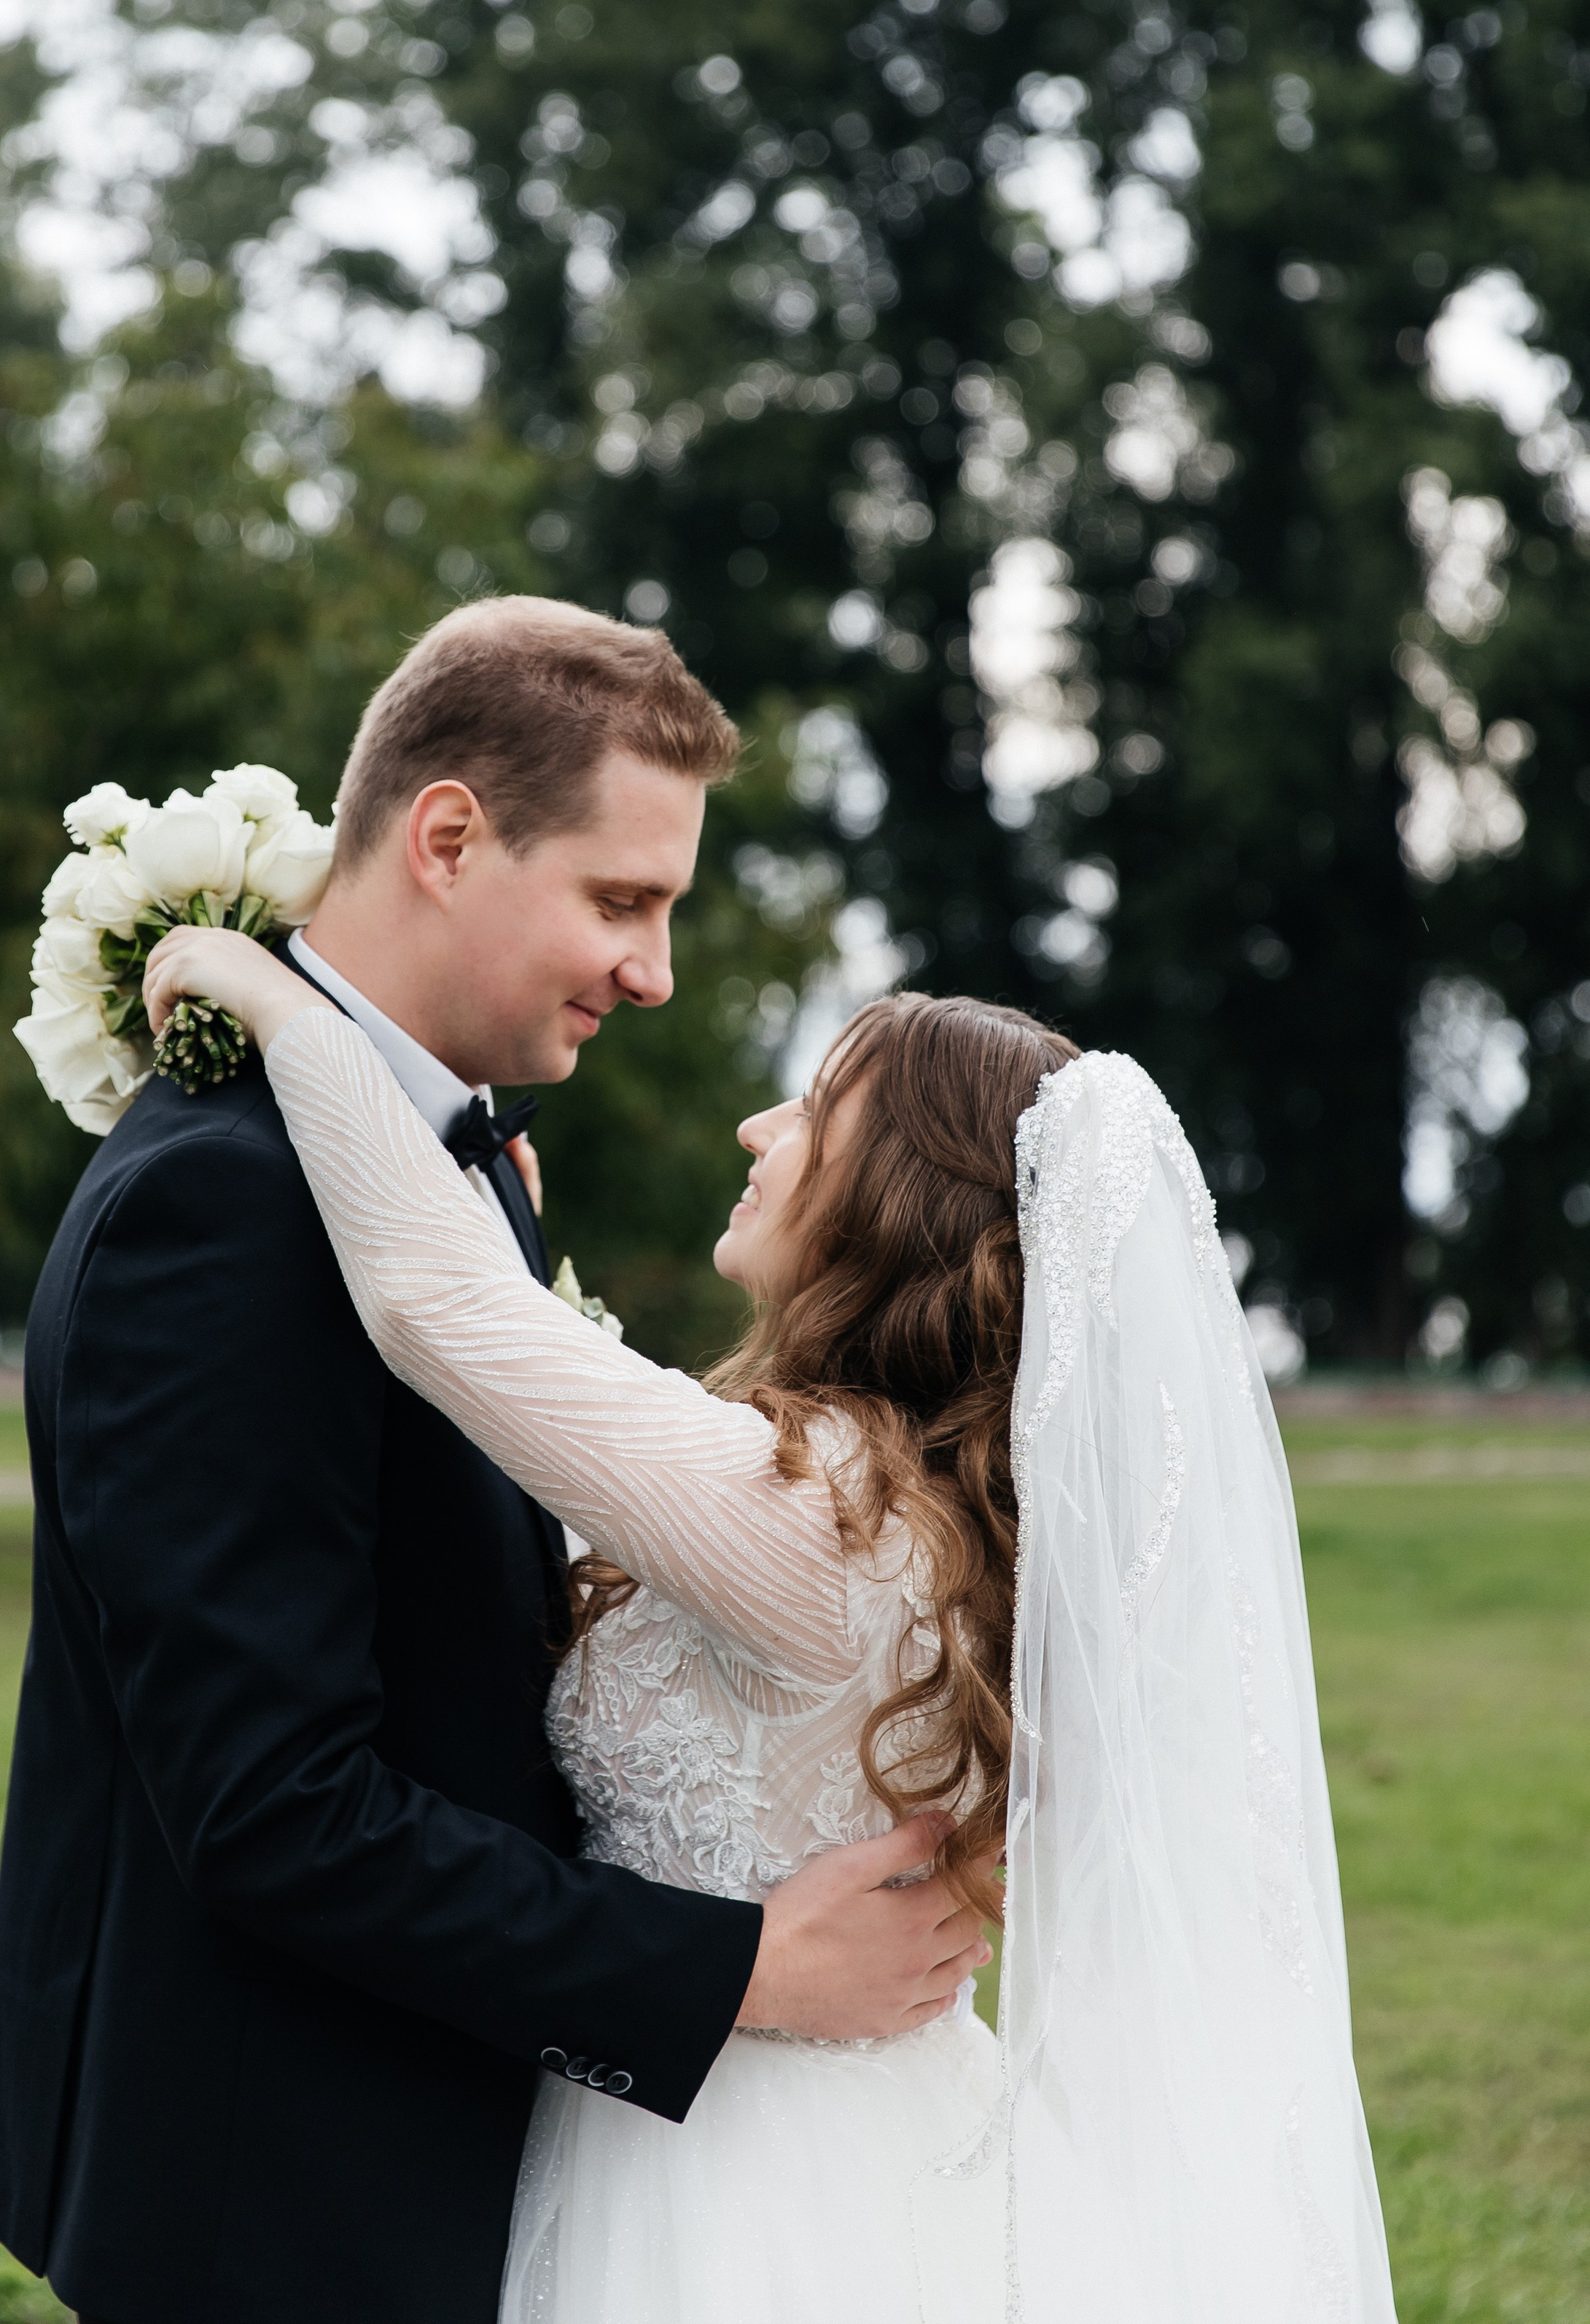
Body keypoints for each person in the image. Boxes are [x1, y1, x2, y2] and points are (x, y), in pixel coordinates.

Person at [144, 923, 1401, 2323]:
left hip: (736, 2187)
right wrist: (507, 1226)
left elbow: (434, 1305)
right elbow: (597, 1432)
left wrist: (278, 992)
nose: (761, 1124)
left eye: (812, 1109)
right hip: (854, 2130)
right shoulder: (921, 1515)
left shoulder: (829, 1522)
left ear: (896, 1197)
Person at [0, 599, 984, 2324]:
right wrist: (735, 1970)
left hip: (458, 2165)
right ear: (447, 834)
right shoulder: (224, 1206)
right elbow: (276, 1811)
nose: (654, 972)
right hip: (287, 2202)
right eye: (621, 900)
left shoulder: (443, 1175)